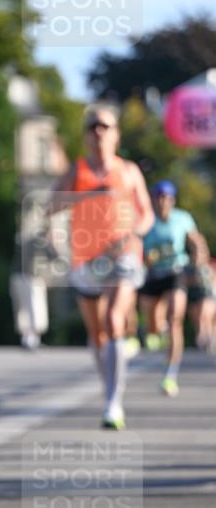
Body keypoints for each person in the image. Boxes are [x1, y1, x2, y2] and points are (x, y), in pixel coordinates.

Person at [47, 104, 154, 429]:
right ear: (85, 135)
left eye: (105, 126)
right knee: (96, 334)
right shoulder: (75, 171)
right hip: (86, 259)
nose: (99, 132)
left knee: (113, 319)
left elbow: (146, 213)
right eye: (93, 126)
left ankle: (113, 402)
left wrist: (133, 232)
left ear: (116, 134)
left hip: (124, 254)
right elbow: (51, 205)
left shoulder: (129, 171)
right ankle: (109, 386)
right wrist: (89, 193)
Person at [139, 180, 208, 395]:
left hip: (176, 272)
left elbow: (196, 241)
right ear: (152, 199)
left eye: (166, 198)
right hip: (152, 275)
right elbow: (135, 244)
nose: (162, 202)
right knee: (152, 325)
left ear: (172, 200)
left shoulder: (182, 218)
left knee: (174, 318)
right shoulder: (146, 220)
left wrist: (198, 260)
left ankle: (170, 375)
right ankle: (157, 331)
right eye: (158, 197)